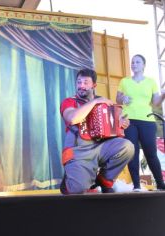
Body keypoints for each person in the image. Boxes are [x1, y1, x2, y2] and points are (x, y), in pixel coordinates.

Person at [60, 68, 134, 194]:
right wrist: (95, 101)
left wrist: (121, 123)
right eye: (79, 82)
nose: (81, 86)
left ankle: (105, 180)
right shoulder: (69, 101)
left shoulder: (103, 102)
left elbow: (114, 125)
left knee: (127, 146)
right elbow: (72, 118)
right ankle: (68, 183)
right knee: (77, 189)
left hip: (100, 147)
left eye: (85, 82)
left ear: (94, 85)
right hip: (78, 152)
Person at [117, 54, 165, 191]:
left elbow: (156, 102)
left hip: (147, 120)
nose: (134, 64)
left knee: (151, 153)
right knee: (133, 152)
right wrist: (123, 98)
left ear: (144, 65)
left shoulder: (151, 82)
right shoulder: (124, 81)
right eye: (132, 62)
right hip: (129, 120)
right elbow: (118, 99)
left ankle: (160, 184)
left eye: (137, 62)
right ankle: (136, 185)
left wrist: (163, 95)